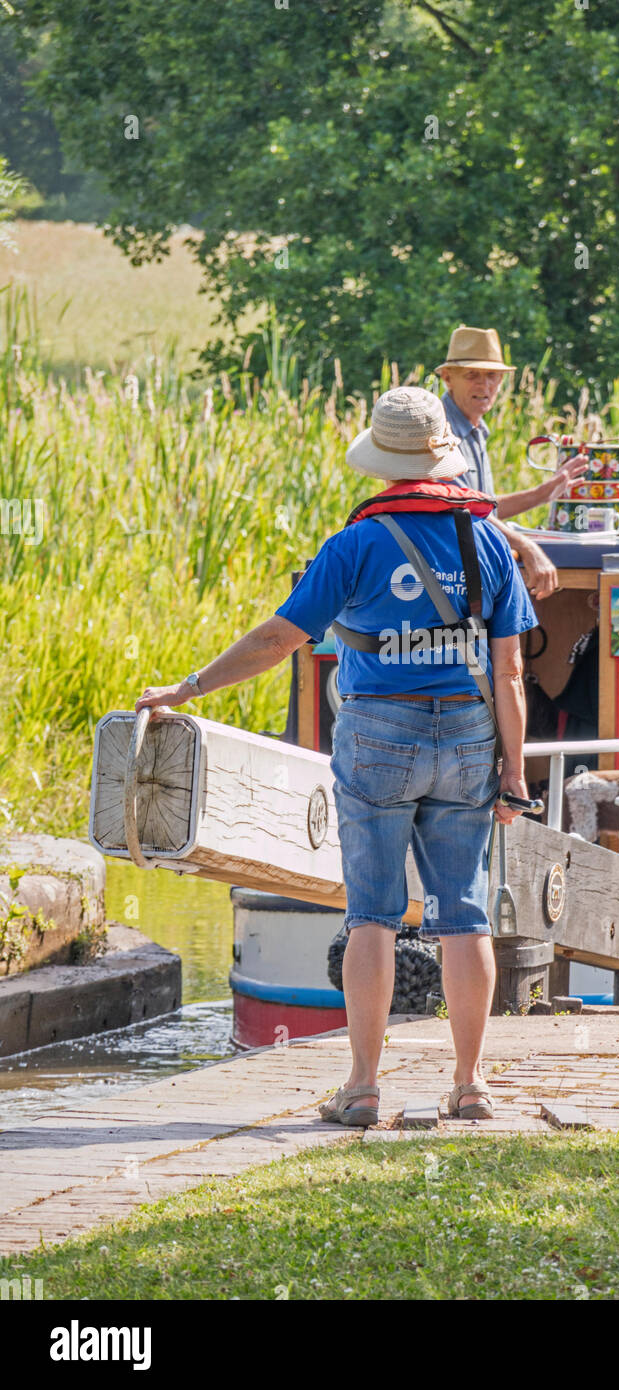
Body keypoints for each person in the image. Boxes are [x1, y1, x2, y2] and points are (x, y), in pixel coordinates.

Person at [134, 386, 538, 1126]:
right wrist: (513, 773)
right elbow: (510, 672)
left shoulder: (354, 545)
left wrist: (188, 687)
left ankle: (360, 1086)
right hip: (470, 739)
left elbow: (279, 639)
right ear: (443, 460)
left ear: (382, 464)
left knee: (373, 916)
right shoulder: (485, 539)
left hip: (378, 734)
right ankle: (471, 1082)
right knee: (464, 913)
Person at [436, 324, 588, 600]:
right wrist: (526, 546)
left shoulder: (475, 430)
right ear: (448, 378)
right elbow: (462, 511)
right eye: (473, 375)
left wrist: (546, 492)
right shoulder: (442, 430)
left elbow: (484, 508)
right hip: (447, 580)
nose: (485, 385)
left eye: (492, 376)